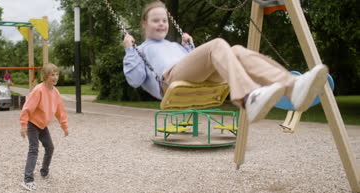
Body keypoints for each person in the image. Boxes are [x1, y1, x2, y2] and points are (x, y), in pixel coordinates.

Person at [123, 1, 328, 123]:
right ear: (144, 23)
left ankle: (292, 86)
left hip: (193, 78)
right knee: (218, 44)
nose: (161, 24)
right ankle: (248, 97)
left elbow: (198, 64)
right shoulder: (140, 50)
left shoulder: (176, 46)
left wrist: (189, 48)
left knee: (236, 50)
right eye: (155, 20)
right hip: (169, 81)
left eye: (164, 20)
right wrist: (129, 50)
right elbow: (135, 79)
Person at [19, 63, 69, 191]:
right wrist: (23, 124)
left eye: (57, 74)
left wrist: (64, 126)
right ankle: (28, 180)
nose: (55, 77)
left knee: (50, 147)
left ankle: (44, 172)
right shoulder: (39, 90)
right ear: (45, 76)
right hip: (32, 124)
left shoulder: (55, 92)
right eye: (52, 75)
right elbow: (27, 107)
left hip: (43, 126)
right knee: (34, 149)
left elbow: (60, 110)